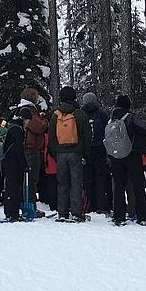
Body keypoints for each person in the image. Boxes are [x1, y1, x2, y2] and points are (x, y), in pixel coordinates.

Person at [48, 86, 91, 222]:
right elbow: (86, 135)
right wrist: (85, 152)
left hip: (61, 153)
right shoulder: (79, 113)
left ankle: (62, 212)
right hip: (76, 153)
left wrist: (55, 152)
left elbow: (52, 135)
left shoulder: (56, 115)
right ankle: (76, 213)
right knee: (76, 183)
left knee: (62, 183)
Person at [108, 94, 146, 226]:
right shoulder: (131, 117)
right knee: (138, 186)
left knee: (118, 187)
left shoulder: (111, 120)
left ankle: (118, 216)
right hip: (132, 155)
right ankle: (142, 216)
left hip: (116, 156)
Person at [80, 92, 111, 216]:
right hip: (100, 150)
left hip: (86, 151)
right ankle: (102, 205)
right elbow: (108, 132)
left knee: (88, 179)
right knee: (101, 178)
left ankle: (89, 205)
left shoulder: (81, 115)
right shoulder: (101, 115)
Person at [20, 96, 48, 213]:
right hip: (31, 149)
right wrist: (45, 120)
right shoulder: (29, 111)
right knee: (31, 179)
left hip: (25, 147)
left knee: (26, 178)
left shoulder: (20, 110)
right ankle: (30, 206)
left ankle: (25, 203)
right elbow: (39, 127)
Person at [0, 109, 28, 221]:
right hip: (13, 163)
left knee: (11, 187)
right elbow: (18, 149)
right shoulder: (17, 130)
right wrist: (24, 163)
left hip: (8, 161)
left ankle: (11, 212)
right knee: (13, 188)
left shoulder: (12, 126)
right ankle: (12, 213)